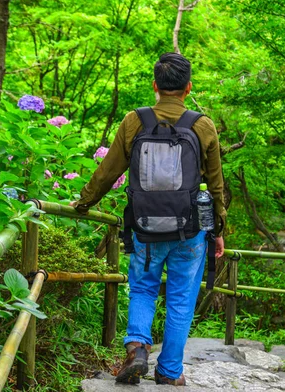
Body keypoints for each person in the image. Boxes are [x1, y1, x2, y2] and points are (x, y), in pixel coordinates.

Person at [72, 52, 226, 386]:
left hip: (144, 227)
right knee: (182, 298)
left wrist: (83, 204)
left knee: (143, 288)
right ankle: (170, 372)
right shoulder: (202, 125)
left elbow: (107, 172)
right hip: (190, 232)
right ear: (187, 88)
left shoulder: (133, 121)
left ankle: (137, 347)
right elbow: (215, 186)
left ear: (155, 86)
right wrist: (218, 229)